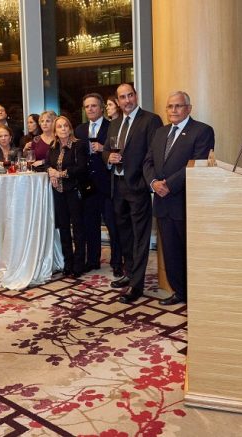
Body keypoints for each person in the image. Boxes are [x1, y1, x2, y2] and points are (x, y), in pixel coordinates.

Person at [143, 91, 214, 306]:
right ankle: (180, 292)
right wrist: (154, 183)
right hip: (163, 203)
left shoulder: (202, 131)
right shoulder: (159, 132)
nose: (173, 110)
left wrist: (169, 185)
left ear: (189, 108)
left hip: (186, 202)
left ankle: (198, 294)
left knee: (191, 252)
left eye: (178, 106)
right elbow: (148, 162)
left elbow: (198, 163)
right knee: (171, 252)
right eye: (170, 106)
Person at [105, 83, 163, 304]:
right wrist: (108, 158)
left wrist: (145, 182)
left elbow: (153, 154)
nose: (127, 100)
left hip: (137, 186)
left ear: (136, 96)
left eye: (130, 95)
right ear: (118, 101)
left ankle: (136, 285)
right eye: (122, 97)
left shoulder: (151, 120)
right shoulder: (115, 123)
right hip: (117, 186)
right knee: (124, 235)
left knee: (140, 236)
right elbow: (108, 150)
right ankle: (129, 274)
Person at [74, 93, 122, 276]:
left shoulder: (113, 127)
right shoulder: (79, 130)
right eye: (87, 107)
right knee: (90, 225)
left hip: (108, 184)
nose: (90, 109)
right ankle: (93, 260)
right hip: (87, 185)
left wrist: (104, 149)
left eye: (94, 106)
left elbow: (119, 151)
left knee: (112, 225)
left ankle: (117, 262)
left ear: (101, 108)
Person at [46, 116, 88, 278]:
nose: (63, 129)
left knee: (77, 228)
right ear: (55, 131)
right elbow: (47, 163)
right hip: (59, 192)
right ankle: (67, 263)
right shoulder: (53, 146)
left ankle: (78, 264)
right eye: (59, 127)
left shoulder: (78, 145)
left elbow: (81, 168)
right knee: (63, 228)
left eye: (65, 126)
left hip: (74, 191)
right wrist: (51, 173)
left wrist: (60, 174)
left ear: (70, 128)